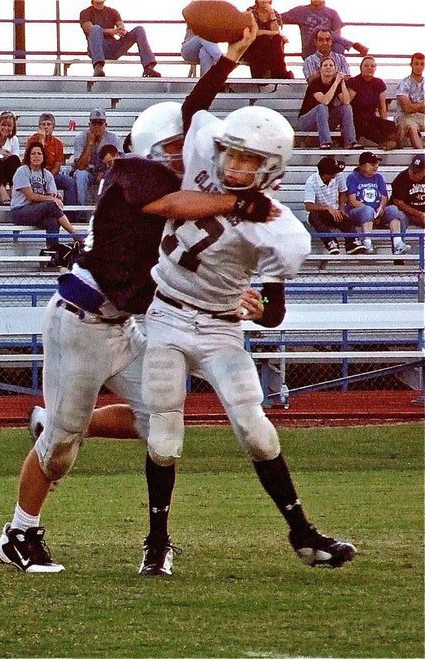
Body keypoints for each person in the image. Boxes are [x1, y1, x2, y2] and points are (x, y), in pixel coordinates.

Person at [0, 25, 269, 574]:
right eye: (170, 149)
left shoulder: (168, 178)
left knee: (161, 419)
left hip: (124, 326)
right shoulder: (130, 178)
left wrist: (228, 59)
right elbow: (170, 234)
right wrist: (237, 204)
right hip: (83, 322)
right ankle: (18, 534)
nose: (182, 156)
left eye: (181, 149)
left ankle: (59, 421)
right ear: (146, 152)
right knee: (62, 451)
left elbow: (190, 118)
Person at [141, 103, 357, 577]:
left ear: (271, 167)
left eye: (249, 161)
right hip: (166, 315)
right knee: (164, 435)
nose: (235, 166)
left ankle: (302, 533)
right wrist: (232, 53)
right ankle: (157, 541)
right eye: (231, 155)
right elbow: (195, 108)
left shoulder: (280, 230)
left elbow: (275, 313)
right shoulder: (201, 158)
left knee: (257, 431)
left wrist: (263, 310)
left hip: (221, 327)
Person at [11, 141, 76, 255]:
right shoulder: (22, 171)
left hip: (38, 211)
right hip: (20, 211)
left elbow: (52, 195)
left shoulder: (47, 174)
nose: (36, 156)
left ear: (43, 156)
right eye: (33, 153)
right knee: (51, 204)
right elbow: (31, 196)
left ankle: (52, 252)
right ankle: (75, 235)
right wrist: (52, 199)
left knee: (53, 221)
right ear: (28, 156)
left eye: (39, 153)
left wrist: (55, 196)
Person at [346, 151, 411, 255]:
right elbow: (352, 200)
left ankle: (398, 243)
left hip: (376, 211)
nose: (376, 166)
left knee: (393, 209)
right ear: (362, 165)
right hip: (358, 211)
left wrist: (380, 208)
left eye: (376, 164)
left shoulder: (378, 177)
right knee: (367, 210)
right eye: (372, 164)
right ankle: (367, 242)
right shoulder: (352, 177)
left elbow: (384, 197)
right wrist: (371, 212)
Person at [79, 0, 161, 78]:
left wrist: (121, 31)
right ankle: (98, 67)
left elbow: (121, 26)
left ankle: (148, 67)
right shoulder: (85, 13)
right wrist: (111, 31)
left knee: (139, 29)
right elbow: (89, 29)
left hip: (113, 48)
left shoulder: (113, 12)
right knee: (96, 28)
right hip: (96, 49)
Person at [304, 155, 365, 254]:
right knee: (313, 216)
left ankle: (352, 242)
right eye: (333, 172)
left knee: (344, 216)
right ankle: (330, 242)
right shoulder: (311, 182)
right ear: (325, 174)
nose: (336, 173)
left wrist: (341, 209)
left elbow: (342, 191)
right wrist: (327, 208)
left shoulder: (338, 175)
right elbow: (308, 206)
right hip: (320, 213)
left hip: (335, 210)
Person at [297, 57, 362, 149]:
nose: (328, 67)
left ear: (335, 69)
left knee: (346, 108)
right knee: (322, 107)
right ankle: (325, 142)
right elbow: (325, 101)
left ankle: (350, 141)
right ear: (320, 69)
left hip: (325, 120)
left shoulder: (337, 83)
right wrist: (336, 82)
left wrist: (342, 83)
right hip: (305, 122)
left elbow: (346, 102)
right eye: (325, 65)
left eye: (331, 65)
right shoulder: (315, 83)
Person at [26, 112, 78, 221]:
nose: (45, 127)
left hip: (51, 174)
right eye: (43, 124)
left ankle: (71, 216)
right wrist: (41, 142)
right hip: (33, 174)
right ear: (39, 126)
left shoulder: (58, 143)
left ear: (53, 127)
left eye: (48, 124)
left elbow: (58, 164)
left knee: (70, 182)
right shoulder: (32, 141)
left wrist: (48, 178)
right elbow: (33, 161)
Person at [71, 108, 122, 217]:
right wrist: (90, 142)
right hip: (88, 173)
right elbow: (80, 166)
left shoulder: (113, 139)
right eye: (94, 123)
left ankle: (112, 213)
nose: (97, 126)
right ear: (89, 124)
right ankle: (82, 214)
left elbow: (119, 164)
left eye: (100, 123)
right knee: (80, 175)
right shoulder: (80, 138)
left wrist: (105, 173)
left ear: (105, 124)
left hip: (106, 172)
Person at [281, 1, 367, 61]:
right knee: (319, 30)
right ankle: (352, 44)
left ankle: (339, 72)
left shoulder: (332, 13)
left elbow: (337, 36)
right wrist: (269, 9)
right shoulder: (300, 11)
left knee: (339, 45)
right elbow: (279, 18)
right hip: (310, 50)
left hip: (327, 49)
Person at [346, 56, 398, 150]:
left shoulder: (379, 83)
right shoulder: (354, 81)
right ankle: (383, 142)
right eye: (366, 66)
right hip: (355, 118)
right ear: (361, 67)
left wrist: (384, 124)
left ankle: (390, 142)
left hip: (370, 116)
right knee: (364, 125)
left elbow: (382, 107)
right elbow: (346, 103)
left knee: (390, 125)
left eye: (372, 66)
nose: (369, 68)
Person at [243, 0, 293, 80]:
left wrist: (272, 14)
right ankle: (271, 73)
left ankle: (279, 73)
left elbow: (276, 30)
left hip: (270, 48)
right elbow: (254, 32)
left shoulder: (274, 13)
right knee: (264, 39)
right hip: (253, 46)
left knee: (277, 39)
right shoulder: (251, 11)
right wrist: (271, 33)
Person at [395, 53, 425, 149]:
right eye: (416, 64)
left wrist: (414, 106)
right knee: (411, 127)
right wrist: (422, 105)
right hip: (405, 117)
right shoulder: (404, 83)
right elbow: (407, 109)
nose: (419, 67)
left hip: (422, 117)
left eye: (422, 64)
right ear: (411, 65)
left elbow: (412, 107)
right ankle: (422, 156)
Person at [390, 154, 425, 229]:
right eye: (411, 169)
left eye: (416, 172)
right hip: (407, 214)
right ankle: (399, 241)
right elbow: (398, 202)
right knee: (399, 216)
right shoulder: (401, 178)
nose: (411, 173)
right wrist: (419, 214)